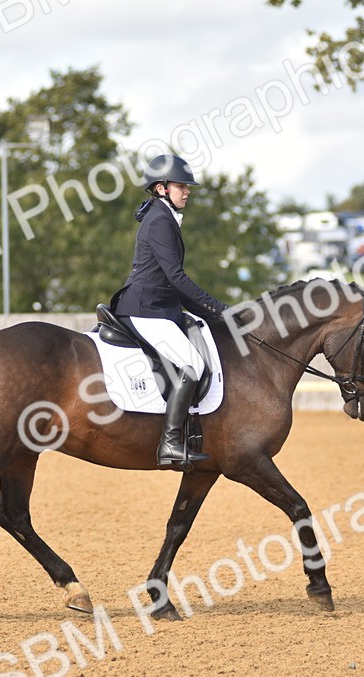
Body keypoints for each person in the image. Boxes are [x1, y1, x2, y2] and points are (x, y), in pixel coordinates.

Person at [111, 154, 229, 470]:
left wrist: (212, 314)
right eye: (181, 185)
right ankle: (170, 444)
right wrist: (217, 307)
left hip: (158, 306)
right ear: (162, 188)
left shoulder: (162, 216)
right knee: (191, 363)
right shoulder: (160, 220)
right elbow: (175, 277)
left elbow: (173, 283)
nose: (187, 191)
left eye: (187, 186)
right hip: (146, 308)